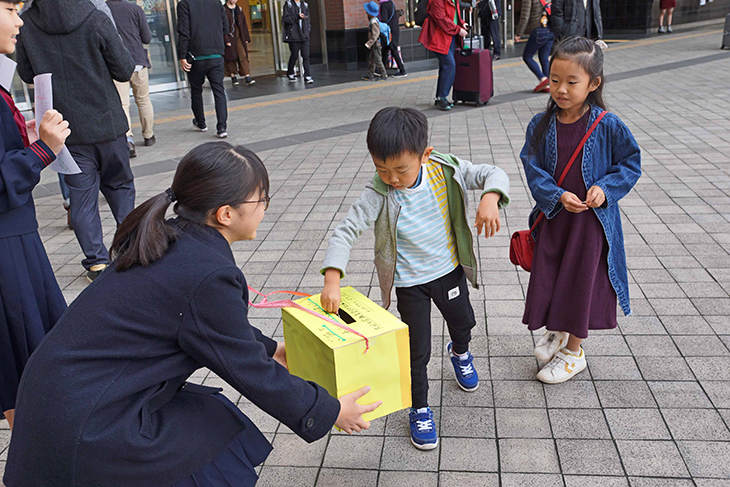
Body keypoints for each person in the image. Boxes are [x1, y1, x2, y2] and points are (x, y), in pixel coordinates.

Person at [3, 142, 380, 486]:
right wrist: (330, 412)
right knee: (208, 428)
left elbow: (206, 325)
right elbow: (249, 372)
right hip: (90, 426)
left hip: (62, 403)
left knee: (208, 419)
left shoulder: (167, 237)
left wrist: (268, 348)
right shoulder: (208, 272)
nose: (265, 207)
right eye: (261, 199)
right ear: (226, 213)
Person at [319, 107, 510, 450]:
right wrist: (332, 277)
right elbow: (345, 230)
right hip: (410, 285)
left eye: (401, 170)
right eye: (382, 169)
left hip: (448, 271)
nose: (391, 178)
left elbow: (492, 172)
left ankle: (461, 352)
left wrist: (491, 197)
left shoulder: (444, 170)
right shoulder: (379, 191)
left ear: (425, 155)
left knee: (463, 322)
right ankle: (419, 408)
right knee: (416, 352)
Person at [520, 37, 641, 384]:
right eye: (555, 79)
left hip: (590, 227)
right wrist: (556, 195)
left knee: (580, 284)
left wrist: (605, 188)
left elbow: (630, 164)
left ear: (593, 83)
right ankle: (557, 332)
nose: (561, 89)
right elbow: (533, 168)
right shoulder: (540, 125)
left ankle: (574, 352)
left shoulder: (608, 125)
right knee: (552, 277)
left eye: (572, 82)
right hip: (556, 220)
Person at [17, 0, 137, 283]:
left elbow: (25, 73)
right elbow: (123, 68)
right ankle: (131, 247)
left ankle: (96, 262)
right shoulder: (95, 16)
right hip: (107, 125)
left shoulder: (28, 24)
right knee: (120, 187)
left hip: (64, 129)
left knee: (81, 197)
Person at [0, 0, 70, 431]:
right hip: (8, 250)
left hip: (15, 238)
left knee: (22, 368)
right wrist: (41, 151)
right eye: (9, 8)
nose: (19, 20)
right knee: (28, 369)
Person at [108, 0, 156, 158]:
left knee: (122, 104)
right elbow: (147, 38)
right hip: (138, 61)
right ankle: (148, 135)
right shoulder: (135, 9)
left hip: (116, 63)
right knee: (143, 100)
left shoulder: (102, 10)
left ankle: (128, 141)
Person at [177, 0, 230, 138]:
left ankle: (201, 123)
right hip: (216, 54)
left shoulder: (185, 4)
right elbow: (226, 27)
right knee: (219, 91)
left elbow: (184, 32)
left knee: (196, 90)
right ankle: (222, 127)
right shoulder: (216, 3)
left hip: (196, 56)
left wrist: (182, 56)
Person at [418, 0, 469, 110]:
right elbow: (441, 19)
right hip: (439, 36)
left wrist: (461, 23)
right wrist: (458, 29)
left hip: (450, 36)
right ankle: (442, 97)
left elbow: (454, 14)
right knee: (449, 65)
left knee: (445, 66)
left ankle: (441, 97)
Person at [515, 0, 554, 92]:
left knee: (527, 56)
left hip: (538, 30)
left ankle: (543, 79)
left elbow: (525, 16)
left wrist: (519, 33)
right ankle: (548, 85)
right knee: (544, 57)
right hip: (550, 30)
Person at [224, 0, 256, 86]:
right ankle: (233, 76)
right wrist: (226, 39)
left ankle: (247, 76)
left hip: (239, 36)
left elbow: (244, 24)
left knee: (243, 55)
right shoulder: (223, 10)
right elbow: (222, 26)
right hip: (229, 36)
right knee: (231, 57)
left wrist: (246, 37)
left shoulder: (239, 9)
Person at [283, 0, 314, 84]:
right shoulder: (288, 4)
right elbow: (286, 19)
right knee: (294, 55)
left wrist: (308, 29)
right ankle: (290, 72)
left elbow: (308, 19)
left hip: (304, 35)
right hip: (294, 35)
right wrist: (297, 17)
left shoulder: (305, 5)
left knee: (306, 56)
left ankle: (307, 75)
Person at [379, 0, 407, 76]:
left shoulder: (383, 5)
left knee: (392, 48)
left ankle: (402, 70)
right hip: (394, 29)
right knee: (385, 49)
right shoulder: (390, 3)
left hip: (389, 31)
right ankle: (382, 70)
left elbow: (384, 19)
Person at [363, 1, 387, 81]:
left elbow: (375, 35)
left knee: (377, 60)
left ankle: (383, 74)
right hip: (374, 45)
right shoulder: (374, 20)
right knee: (372, 60)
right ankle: (369, 74)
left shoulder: (374, 22)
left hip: (376, 45)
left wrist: (368, 44)